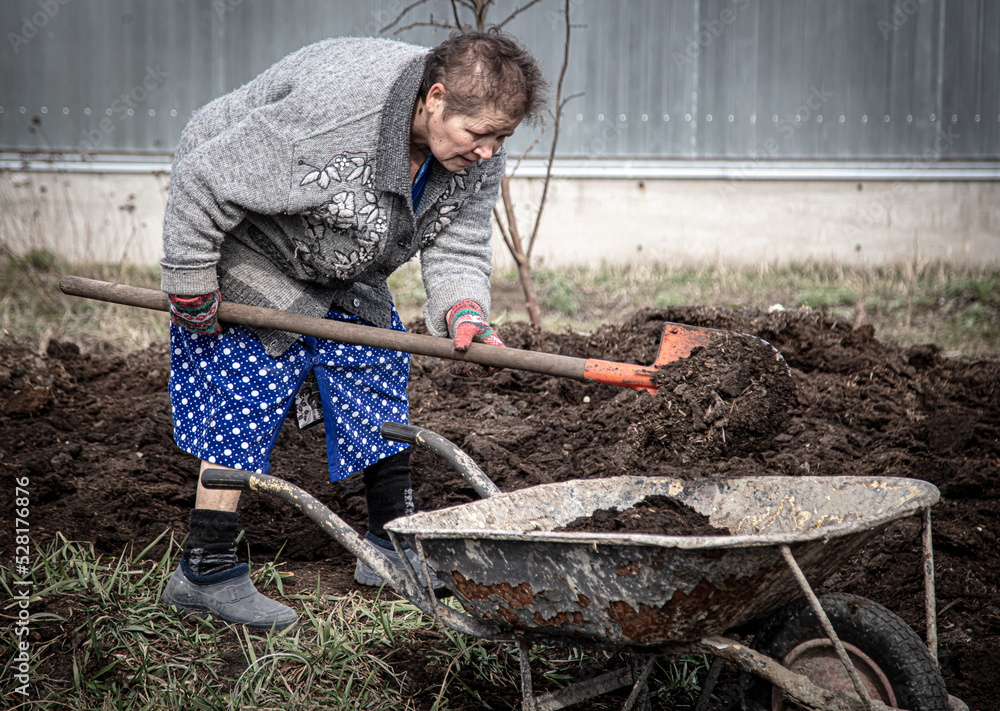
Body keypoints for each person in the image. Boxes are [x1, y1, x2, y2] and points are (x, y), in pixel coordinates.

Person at [158, 28, 547, 629]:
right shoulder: (332, 118)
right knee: (247, 379)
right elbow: (205, 179)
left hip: (342, 249)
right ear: (435, 98)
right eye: (480, 135)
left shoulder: (472, 148)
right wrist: (189, 280)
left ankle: (390, 545)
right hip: (253, 236)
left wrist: (464, 311)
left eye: (504, 138)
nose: (490, 153)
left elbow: (460, 238)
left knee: (375, 362)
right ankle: (205, 570)